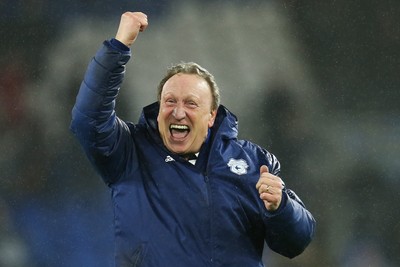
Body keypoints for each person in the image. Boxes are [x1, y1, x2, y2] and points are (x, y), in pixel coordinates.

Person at [70, 11, 316, 267]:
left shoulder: (253, 162)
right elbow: (87, 119)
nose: (178, 111)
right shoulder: (131, 151)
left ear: (211, 116)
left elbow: (295, 242)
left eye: (191, 103)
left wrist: (282, 207)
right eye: (170, 101)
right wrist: (119, 46)